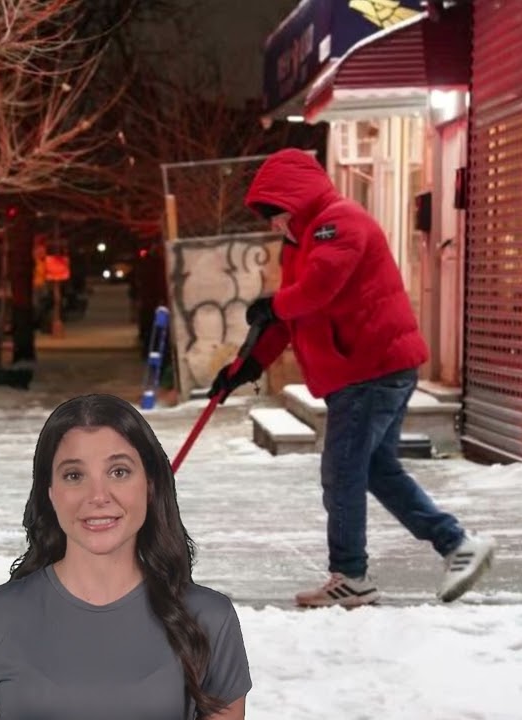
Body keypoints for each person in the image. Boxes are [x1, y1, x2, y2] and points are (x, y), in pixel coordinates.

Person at [210, 148, 496, 608]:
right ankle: (456, 544)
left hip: (371, 368)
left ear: (295, 200)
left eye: (275, 213)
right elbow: (290, 313)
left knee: (342, 469)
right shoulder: (302, 241)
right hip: (366, 369)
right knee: (377, 470)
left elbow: (318, 290)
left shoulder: (338, 224)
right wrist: (246, 366)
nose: (273, 224)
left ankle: (351, 575)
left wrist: (274, 304)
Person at [0, 394, 251, 719]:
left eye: (118, 472)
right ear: (50, 492)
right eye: (74, 475)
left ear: (149, 484)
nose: (98, 496)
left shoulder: (210, 620)